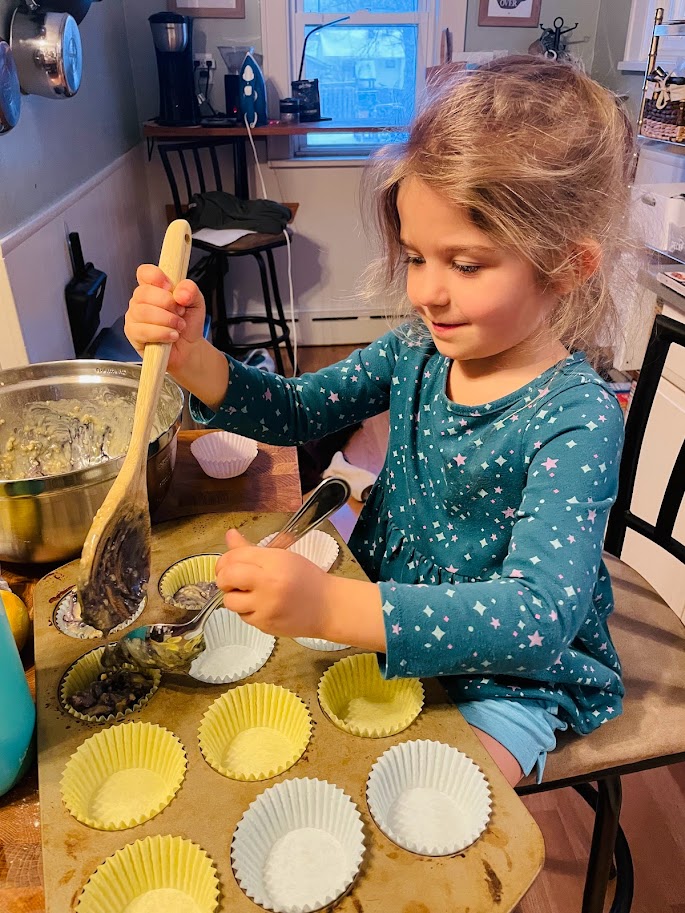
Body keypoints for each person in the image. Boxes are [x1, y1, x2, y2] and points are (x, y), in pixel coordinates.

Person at [125, 56, 632, 787]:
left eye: (464, 263)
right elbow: (297, 411)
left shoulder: (575, 417)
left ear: (566, 265)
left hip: (506, 675)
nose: (426, 290)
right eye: (418, 256)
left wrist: (332, 604)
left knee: (430, 814)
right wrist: (192, 356)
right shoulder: (417, 349)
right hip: (385, 599)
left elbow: (534, 617)